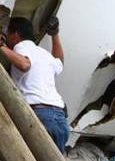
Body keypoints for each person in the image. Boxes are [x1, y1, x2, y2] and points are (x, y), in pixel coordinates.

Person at [0, 16, 69, 152]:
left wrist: (1, 46)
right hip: (60, 119)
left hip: (40, 117)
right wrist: (54, 35)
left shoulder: (20, 46)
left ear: (16, 34)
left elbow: (25, 64)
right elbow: (59, 61)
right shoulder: (44, 54)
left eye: (8, 34)